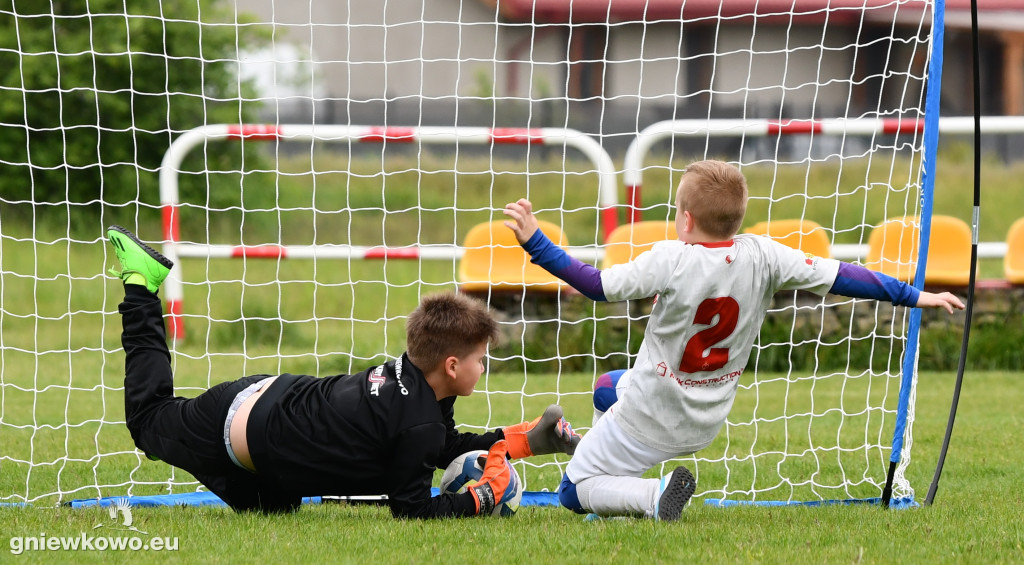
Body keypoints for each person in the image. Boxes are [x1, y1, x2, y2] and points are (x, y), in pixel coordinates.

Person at [502, 160, 965, 521]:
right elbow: (845, 275)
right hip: (705, 418)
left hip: (652, 413)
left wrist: (535, 242)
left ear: (686, 219)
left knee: (572, 491)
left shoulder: (671, 258)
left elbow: (595, 285)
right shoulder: (764, 254)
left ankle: (652, 496)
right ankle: (612, 479)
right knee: (606, 387)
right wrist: (915, 295)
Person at [106, 225, 580, 518]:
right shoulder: (417, 419)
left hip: (272, 411)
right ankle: (141, 284)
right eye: (480, 358)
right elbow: (413, 509)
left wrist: (525, 441)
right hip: (237, 425)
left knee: (273, 509)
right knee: (149, 423)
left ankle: (244, 473)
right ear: (452, 366)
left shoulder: (421, 383)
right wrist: (482, 498)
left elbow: (439, 445)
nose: (484, 366)